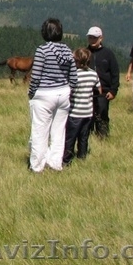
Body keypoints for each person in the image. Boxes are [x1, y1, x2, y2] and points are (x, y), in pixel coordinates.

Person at [28, 18, 78, 173]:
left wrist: (31, 93)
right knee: (58, 132)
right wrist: (71, 92)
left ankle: (37, 166)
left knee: (39, 132)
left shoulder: (42, 50)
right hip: (63, 93)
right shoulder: (68, 51)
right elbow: (74, 77)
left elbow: (35, 76)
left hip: (44, 94)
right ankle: (55, 163)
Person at [63, 47, 101, 166]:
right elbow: (99, 90)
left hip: (75, 112)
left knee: (70, 137)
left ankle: (66, 160)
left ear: (77, 61)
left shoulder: (74, 75)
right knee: (83, 137)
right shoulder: (93, 74)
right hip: (88, 112)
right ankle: (82, 157)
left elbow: (69, 91)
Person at [86, 26, 120, 138]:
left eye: (94, 38)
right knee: (88, 115)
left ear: (101, 38)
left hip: (104, 92)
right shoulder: (85, 53)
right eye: (90, 37)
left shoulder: (108, 54)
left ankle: (103, 137)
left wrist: (113, 90)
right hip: (87, 91)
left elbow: (115, 73)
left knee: (102, 114)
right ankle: (88, 136)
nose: (92, 40)